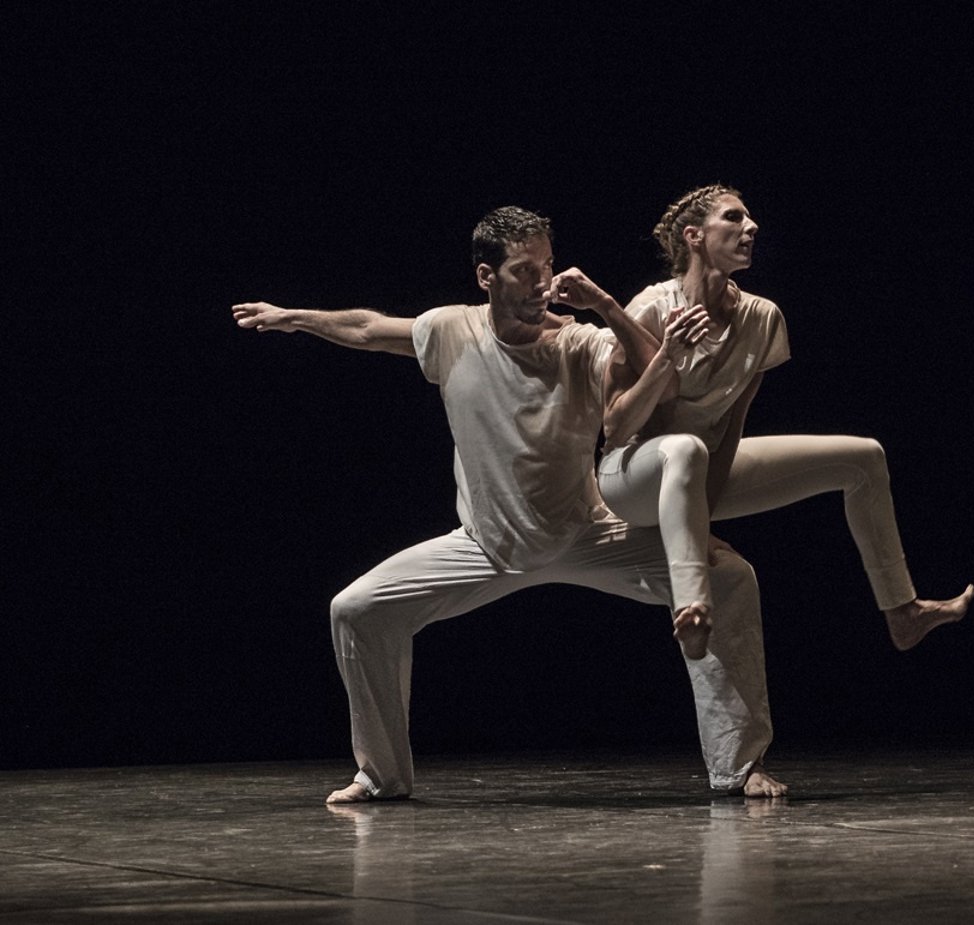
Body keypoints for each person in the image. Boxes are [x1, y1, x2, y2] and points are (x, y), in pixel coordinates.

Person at [232, 206, 787, 802]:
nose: (541, 283)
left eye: (546, 266)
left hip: (587, 535)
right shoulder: (452, 330)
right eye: (524, 270)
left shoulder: (577, 341)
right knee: (356, 610)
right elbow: (368, 328)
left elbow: (660, 382)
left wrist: (605, 306)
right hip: (486, 545)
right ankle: (382, 774)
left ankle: (738, 766)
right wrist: (294, 318)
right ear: (486, 276)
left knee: (731, 578)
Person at [598, 185, 974, 659]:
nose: (751, 226)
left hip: (701, 466)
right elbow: (615, 429)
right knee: (684, 449)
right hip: (630, 477)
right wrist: (665, 359)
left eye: (749, 218)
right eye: (733, 218)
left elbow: (731, 426)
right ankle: (693, 604)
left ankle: (903, 611)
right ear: (694, 236)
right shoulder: (653, 308)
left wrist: (700, 512)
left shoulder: (763, 318)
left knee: (864, 458)